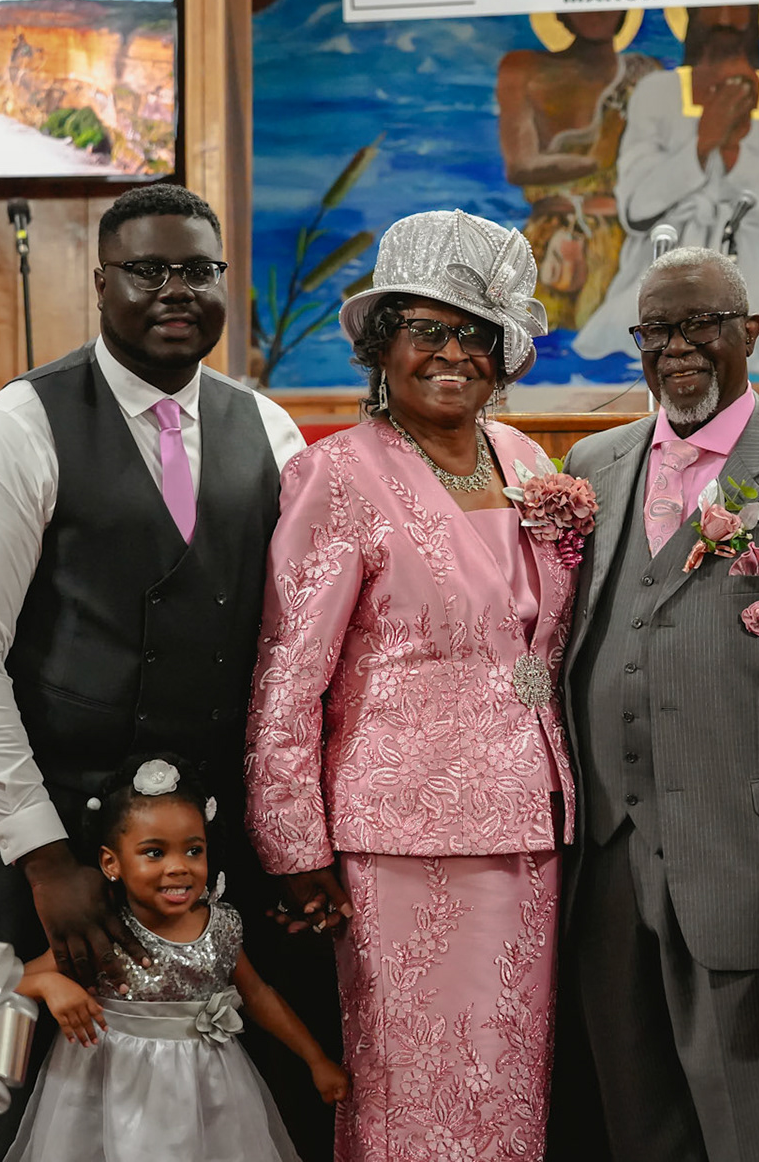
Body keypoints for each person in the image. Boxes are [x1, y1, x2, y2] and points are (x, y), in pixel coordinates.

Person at [0, 182, 337, 1158]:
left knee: (227, 1081)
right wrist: (42, 857)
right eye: (148, 269)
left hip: (209, 832)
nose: (176, 289)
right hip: (55, 821)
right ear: (100, 282)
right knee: (48, 1084)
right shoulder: (20, 425)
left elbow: (298, 645)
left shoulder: (268, 430)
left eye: (197, 269)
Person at [244, 209, 583, 1162]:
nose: (453, 354)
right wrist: (294, 843)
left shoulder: (527, 461)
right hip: (399, 835)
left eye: (476, 334)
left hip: (533, 822)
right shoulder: (334, 475)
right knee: (414, 1082)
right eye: (427, 330)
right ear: (381, 345)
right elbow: (288, 673)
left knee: (510, 1075)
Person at [549, 246, 759, 1162]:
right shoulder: (593, 465)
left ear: (750, 332)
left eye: (702, 324)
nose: (679, 346)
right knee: (637, 1135)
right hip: (608, 873)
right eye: (657, 329)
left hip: (752, 882)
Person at [7, 755, 348, 1162]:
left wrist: (315, 1059)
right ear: (111, 862)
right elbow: (4, 981)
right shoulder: (103, 931)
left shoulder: (222, 926)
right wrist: (49, 983)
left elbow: (257, 995)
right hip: (116, 1094)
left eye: (193, 850)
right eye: (154, 852)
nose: (178, 867)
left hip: (208, 1095)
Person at [572, 4, 759, 377]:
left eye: (736, 13)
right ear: (690, 19)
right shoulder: (656, 92)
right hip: (663, 266)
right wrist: (704, 141)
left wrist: (733, 151)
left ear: (756, 20)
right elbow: (636, 208)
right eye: (712, 15)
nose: (724, 20)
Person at [497, 10, 662, 331]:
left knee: (626, 334)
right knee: (536, 334)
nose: (595, 11)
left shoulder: (643, 75)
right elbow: (519, 167)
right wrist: (596, 159)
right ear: (561, 12)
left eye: (605, 1)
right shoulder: (524, 68)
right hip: (548, 236)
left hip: (622, 243)